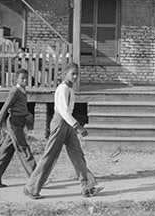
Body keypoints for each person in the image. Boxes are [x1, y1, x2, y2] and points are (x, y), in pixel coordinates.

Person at [23, 64, 101, 199]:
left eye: (77, 74)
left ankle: (87, 187)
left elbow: (68, 112)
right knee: (49, 156)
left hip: (68, 125)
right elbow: (64, 111)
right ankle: (31, 188)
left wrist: (73, 126)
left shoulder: (70, 89)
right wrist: (77, 126)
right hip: (59, 124)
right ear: (65, 74)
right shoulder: (62, 89)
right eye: (72, 74)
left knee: (78, 155)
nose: (75, 77)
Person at [0, 69, 36, 188]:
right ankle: (37, 177)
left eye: (26, 78)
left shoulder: (23, 90)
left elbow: (20, 107)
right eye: (22, 78)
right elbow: (4, 109)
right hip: (14, 124)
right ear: (16, 79)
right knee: (23, 149)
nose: (25, 80)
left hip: (20, 122)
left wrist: (27, 114)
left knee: (5, 152)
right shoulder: (15, 91)